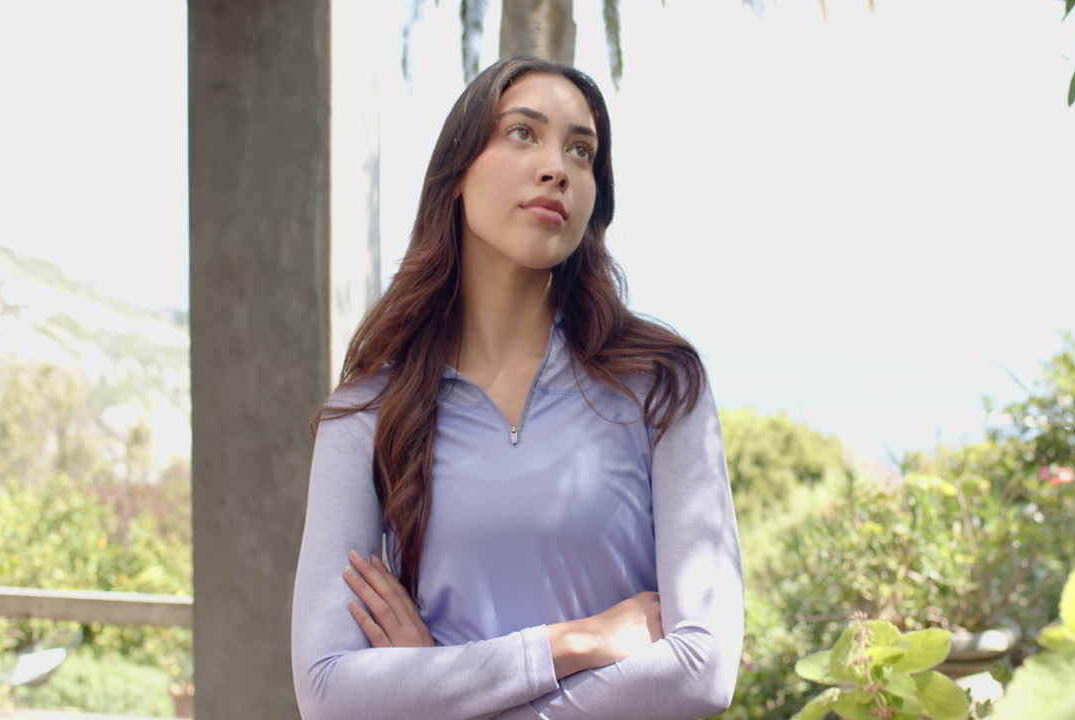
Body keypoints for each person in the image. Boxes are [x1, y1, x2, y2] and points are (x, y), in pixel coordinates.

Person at [290, 55, 744, 720]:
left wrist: (437, 686)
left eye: (582, 150)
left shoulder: (661, 384)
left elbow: (702, 672)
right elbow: (328, 692)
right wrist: (574, 642)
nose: (558, 167)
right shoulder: (367, 413)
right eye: (523, 133)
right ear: (456, 173)